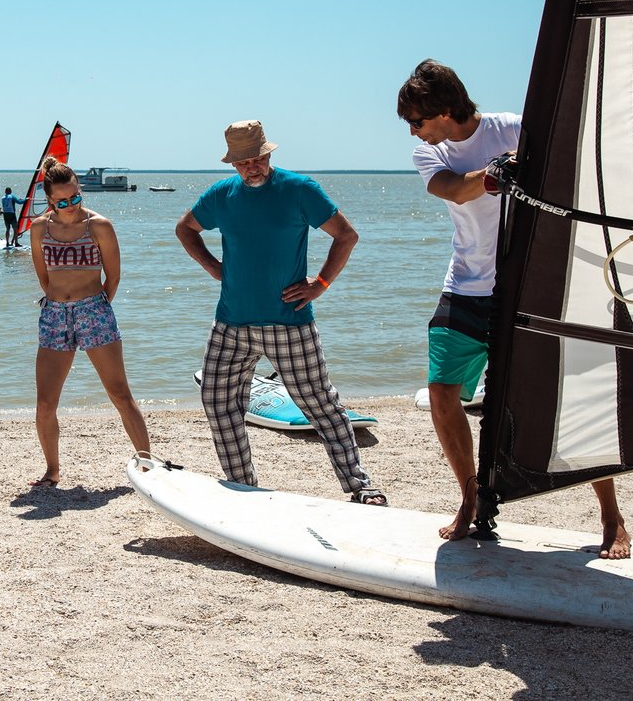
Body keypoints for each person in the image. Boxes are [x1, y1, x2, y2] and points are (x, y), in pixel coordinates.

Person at [399, 58, 632, 557]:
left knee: (570, 397)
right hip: (465, 286)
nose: (412, 131)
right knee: (442, 394)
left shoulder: (509, 129)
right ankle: (472, 497)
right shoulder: (430, 153)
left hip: (529, 288)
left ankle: (611, 516)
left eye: (417, 120)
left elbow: (578, 161)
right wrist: (493, 173)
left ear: (443, 109)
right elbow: (453, 190)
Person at [175, 121, 386, 505]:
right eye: (242, 162)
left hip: (288, 322)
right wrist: (214, 268)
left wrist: (320, 284)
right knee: (217, 402)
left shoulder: (299, 189)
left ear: (269, 155)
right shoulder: (221, 195)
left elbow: (346, 234)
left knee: (319, 404)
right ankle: (243, 486)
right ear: (232, 164)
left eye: (257, 159)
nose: (251, 167)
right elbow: (185, 229)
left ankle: (361, 487)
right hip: (230, 323)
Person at [28, 156, 150, 487]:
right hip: (54, 314)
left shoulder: (100, 226)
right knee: (45, 402)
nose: (70, 206)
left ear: (81, 190)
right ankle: (52, 471)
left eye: (75, 197)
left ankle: (148, 466)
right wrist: (59, 300)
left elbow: (113, 276)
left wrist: (93, 305)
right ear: (50, 200)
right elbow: (43, 275)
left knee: (120, 393)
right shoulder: (39, 228)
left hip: (94, 310)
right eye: (62, 201)